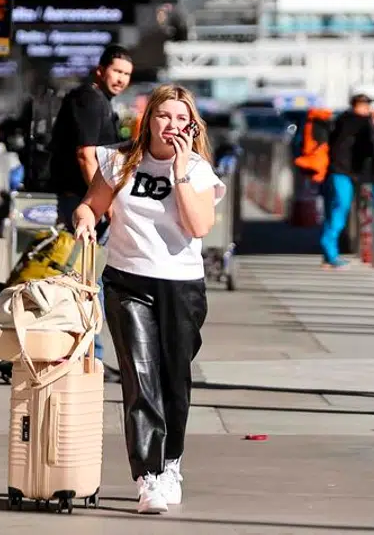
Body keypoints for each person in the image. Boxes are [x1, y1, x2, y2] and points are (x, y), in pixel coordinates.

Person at [72, 84, 224, 515]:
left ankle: (171, 461)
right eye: (163, 116)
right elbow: (90, 205)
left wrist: (180, 170)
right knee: (140, 378)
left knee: (174, 380)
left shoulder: (198, 171)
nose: (171, 125)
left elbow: (198, 227)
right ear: (148, 119)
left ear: (192, 126)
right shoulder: (118, 160)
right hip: (128, 281)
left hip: (181, 286)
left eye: (181, 118)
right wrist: (84, 220)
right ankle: (149, 476)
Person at [49, 44, 133, 363]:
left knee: (88, 278)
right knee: (87, 279)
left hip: (84, 199)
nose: (121, 79)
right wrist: (102, 202)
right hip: (82, 201)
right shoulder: (90, 100)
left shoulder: (101, 102)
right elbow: (86, 155)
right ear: (100, 70)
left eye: (126, 74)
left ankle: (88, 355)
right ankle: (89, 357)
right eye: (116, 71)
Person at [321, 93, 374, 268]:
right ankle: (330, 251)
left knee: (335, 209)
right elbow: (371, 145)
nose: (366, 109)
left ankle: (329, 254)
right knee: (340, 208)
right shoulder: (355, 122)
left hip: (341, 170)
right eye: (364, 105)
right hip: (343, 171)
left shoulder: (343, 120)